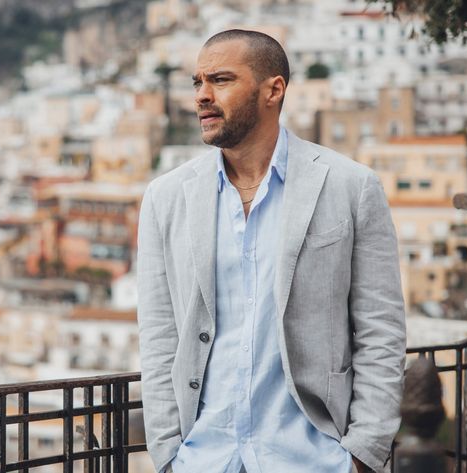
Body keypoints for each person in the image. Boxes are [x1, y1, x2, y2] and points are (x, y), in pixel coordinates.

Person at [136, 29, 406, 473]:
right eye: (197, 82)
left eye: (220, 80)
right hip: (203, 459)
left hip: (314, 458)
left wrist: (363, 454)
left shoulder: (350, 187)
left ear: (273, 90)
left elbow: (382, 329)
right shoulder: (166, 197)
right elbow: (160, 334)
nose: (202, 95)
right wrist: (168, 454)